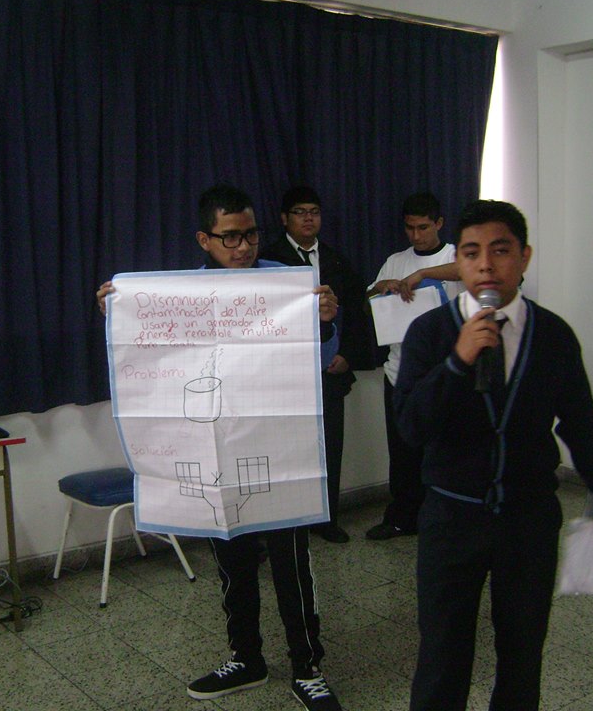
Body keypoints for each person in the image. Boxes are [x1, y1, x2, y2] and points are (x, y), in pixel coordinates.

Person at [96, 185, 344, 711]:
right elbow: (146, 348)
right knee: (231, 559)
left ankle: (308, 666)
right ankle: (246, 657)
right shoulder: (181, 294)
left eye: (251, 234)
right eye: (230, 237)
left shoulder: (285, 283)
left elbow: (323, 357)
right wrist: (118, 311)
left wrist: (325, 322)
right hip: (217, 453)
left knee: (291, 564)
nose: (244, 246)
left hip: (278, 451)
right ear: (204, 239)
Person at [394, 199, 593, 711]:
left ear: (524, 257)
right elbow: (410, 427)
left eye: (500, 251)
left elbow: (580, 422)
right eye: (471, 253)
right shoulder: (430, 333)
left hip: (528, 518)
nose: (485, 265)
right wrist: (457, 362)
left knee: (522, 652)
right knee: (442, 654)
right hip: (451, 518)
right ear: (458, 262)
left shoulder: (554, 335)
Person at [261, 186, 372, 544]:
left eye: (314, 212)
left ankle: (327, 519)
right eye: (300, 212)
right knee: (286, 450)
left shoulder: (336, 259)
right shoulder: (267, 260)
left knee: (329, 447)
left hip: (329, 372)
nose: (308, 218)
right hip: (287, 375)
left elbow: (356, 313)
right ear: (284, 218)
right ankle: (286, 522)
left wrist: (348, 355)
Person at [364, 192, 463, 541]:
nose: (416, 235)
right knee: (403, 451)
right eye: (410, 228)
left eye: (423, 227)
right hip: (400, 371)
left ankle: (444, 520)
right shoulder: (395, 260)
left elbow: (469, 270)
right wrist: (383, 286)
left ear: (439, 223)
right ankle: (402, 518)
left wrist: (424, 273)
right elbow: (369, 296)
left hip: (446, 372)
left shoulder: (455, 255)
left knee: (445, 450)